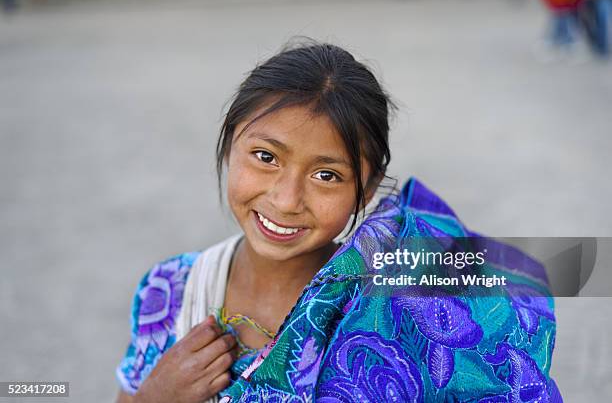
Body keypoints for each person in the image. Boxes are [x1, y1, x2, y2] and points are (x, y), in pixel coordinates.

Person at [116, 41, 562, 402]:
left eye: (326, 175)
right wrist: (154, 397)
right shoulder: (170, 290)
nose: (286, 200)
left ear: (366, 190)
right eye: (265, 156)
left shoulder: (393, 309)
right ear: (230, 144)